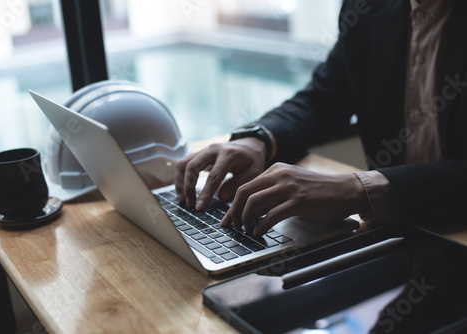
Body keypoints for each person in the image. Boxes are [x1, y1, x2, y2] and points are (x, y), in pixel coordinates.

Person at [175, 0, 467, 237]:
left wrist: (359, 189)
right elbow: (324, 99)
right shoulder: (366, 7)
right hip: (390, 235)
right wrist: (259, 139)